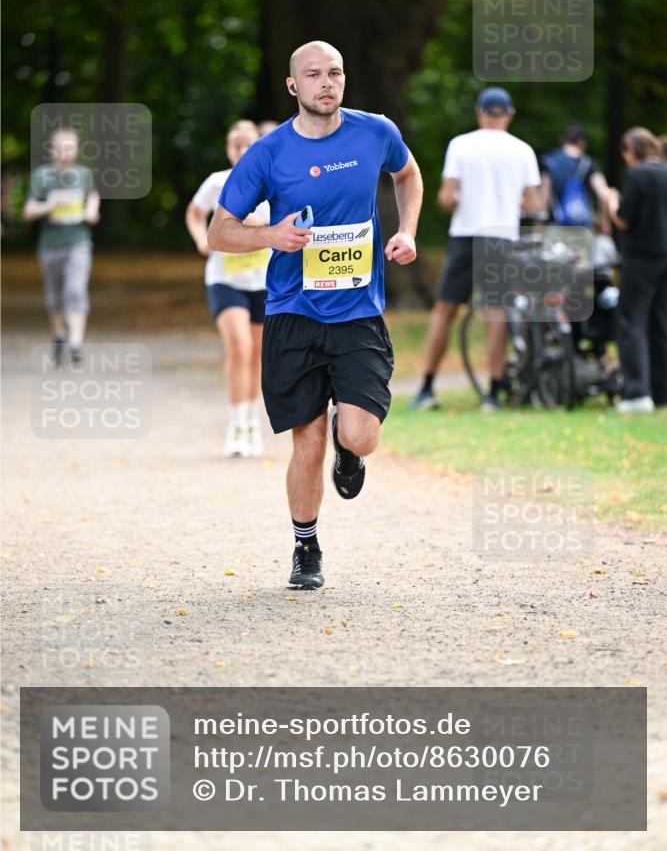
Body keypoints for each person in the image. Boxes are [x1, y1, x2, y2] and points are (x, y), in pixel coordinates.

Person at [207, 40, 423, 590]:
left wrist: (406, 230)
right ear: (292, 85)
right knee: (306, 438)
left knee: (362, 435)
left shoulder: (375, 132)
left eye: (335, 73)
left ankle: (348, 448)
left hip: (357, 311)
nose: (326, 83)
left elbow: (407, 175)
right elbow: (219, 232)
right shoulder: (268, 153)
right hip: (293, 311)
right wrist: (270, 235)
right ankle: (306, 547)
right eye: (313, 75)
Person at [410, 87, 543, 412]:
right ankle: (493, 393)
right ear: (510, 114)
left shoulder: (461, 145)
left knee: (444, 310)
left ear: (480, 112)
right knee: (496, 312)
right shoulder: (523, 150)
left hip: (466, 235)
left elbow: (447, 196)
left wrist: (455, 199)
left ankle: (426, 388)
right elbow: (533, 202)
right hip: (502, 236)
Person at [186, 121, 270, 457]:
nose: (243, 151)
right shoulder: (217, 182)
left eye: (249, 144)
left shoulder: (273, 182)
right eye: (236, 145)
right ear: (228, 149)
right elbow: (195, 214)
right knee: (239, 347)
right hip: (225, 280)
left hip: (263, 281)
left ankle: (252, 424)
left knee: (257, 354)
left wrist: (257, 225)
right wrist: (201, 240)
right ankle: (236, 425)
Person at [23, 129, 100, 365]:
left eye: (70, 147)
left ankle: (76, 342)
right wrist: (50, 205)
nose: (66, 152)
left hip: (78, 242)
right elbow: (28, 211)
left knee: (75, 289)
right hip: (50, 245)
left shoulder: (84, 175)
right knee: (55, 295)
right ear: (52, 150)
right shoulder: (41, 177)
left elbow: (93, 196)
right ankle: (59, 335)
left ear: (76, 150)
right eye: (61, 147)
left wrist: (92, 211)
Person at [606, 127, 667, 413]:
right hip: (665, 257)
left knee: (631, 321)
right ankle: (661, 391)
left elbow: (623, 218)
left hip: (641, 258)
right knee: (660, 322)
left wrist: (610, 201)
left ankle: (637, 392)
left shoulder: (638, 175)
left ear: (630, 151)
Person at [540, 124, 612, 232]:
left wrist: (538, 227)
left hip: (555, 226)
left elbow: (544, 197)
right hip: (582, 228)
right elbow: (603, 194)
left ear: (562, 140)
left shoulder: (550, 162)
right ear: (582, 143)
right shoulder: (589, 164)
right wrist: (604, 222)